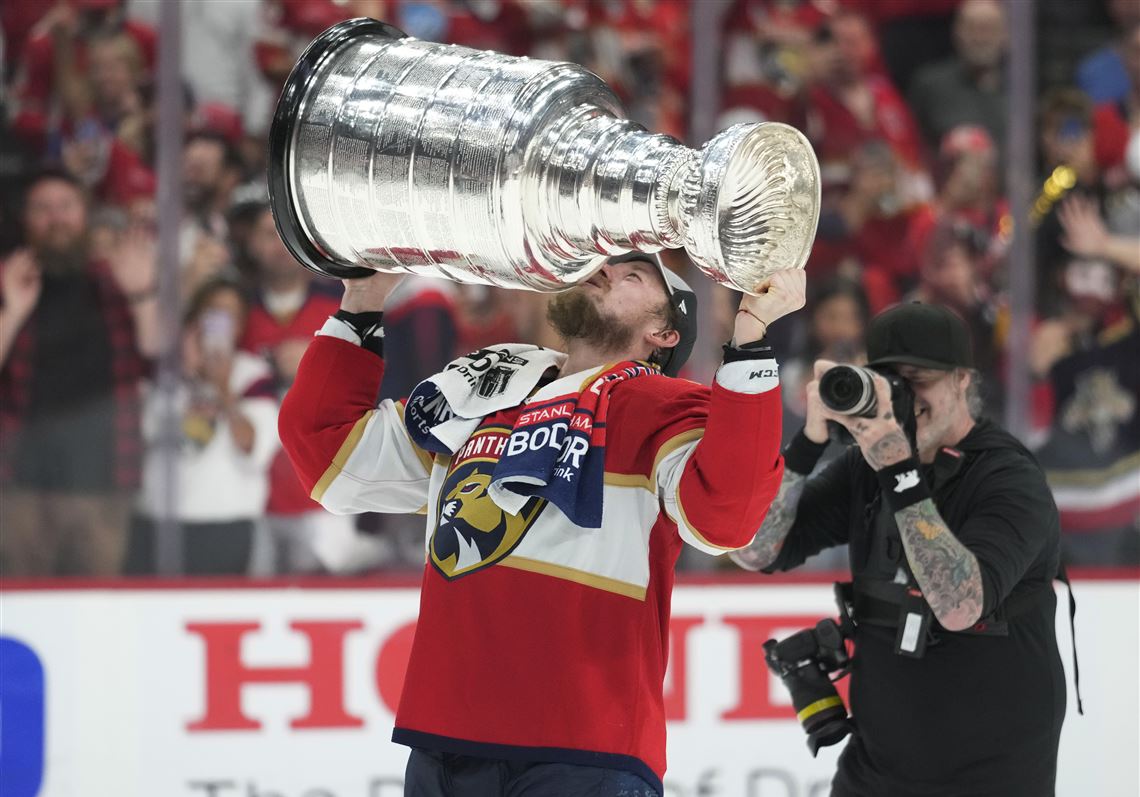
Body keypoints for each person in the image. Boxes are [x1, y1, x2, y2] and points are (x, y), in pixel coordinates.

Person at [278, 253, 806, 795]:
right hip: (444, 742)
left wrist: (750, 342)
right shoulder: (484, 391)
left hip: (585, 753)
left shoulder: (667, 409)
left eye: (632, 276)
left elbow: (727, 516)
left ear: (663, 334)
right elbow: (330, 455)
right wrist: (362, 301)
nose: (604, 271)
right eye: (603, 266)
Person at [732, 302, 1067, 797]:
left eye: (919, 380)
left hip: (993, 774)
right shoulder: (867, 467)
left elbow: (960, 606)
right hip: (876, 766)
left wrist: (899, 470)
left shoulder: (1008, 478)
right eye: (892, 382)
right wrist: (808, 443)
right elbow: (753, 550)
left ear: (962, 380)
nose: (907, 398)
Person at [0, 168, 160, 576]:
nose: (56, 217)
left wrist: (142, 294)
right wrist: (11, 311)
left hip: (102, 483)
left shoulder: (115, 279)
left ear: (85, 213)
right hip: (20, 486)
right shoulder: (10, 279)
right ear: (26, 218)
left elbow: (159, 355)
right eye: (42, 208)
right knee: (24, 606)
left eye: (65, 206)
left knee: (97, 607)